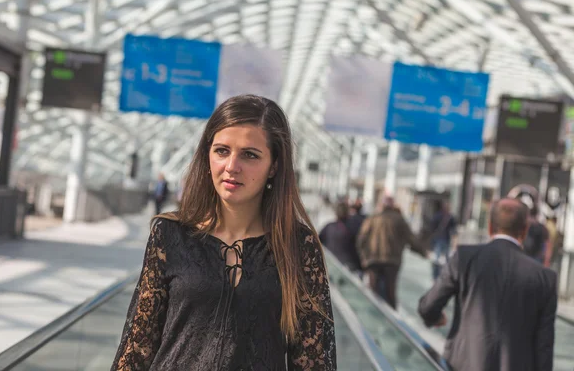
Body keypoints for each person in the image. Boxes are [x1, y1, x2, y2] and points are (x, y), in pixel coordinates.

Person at [111, 95, 336, 370]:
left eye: (250, 155)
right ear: (207, 157)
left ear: (274, 166)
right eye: (222, 151)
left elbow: (314, 362)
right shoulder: (170, 235)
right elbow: (138, 346)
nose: (232, 166)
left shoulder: (298, 247)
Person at [418, 198, 557, 371]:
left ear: (490, 227)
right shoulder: (546, 277)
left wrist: (435, 318)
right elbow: (544, 345)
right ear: (524, 231)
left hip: (463, 364)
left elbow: (428, 306)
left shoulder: (464, 257)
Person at [356, 195, 427, 309]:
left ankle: (373, 313)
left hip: (373, 260)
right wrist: (423, 252)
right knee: (390, 292)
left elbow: (361, 240)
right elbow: (411, 239)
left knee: (373, 290)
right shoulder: (398, 219)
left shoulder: (372, 219)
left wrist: (363, 258)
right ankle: (392, 317)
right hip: (392, 261)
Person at [319, 201, 361, 272]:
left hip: (331, 265)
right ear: (347, 213)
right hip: (348, 266)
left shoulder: (328, 227)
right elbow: (357, 248)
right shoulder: (352, 228)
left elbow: (318, 242)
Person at [429, 200, 456, 280]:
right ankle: (440, 275)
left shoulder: (440, 216)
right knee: (443, 259)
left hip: (440, 239)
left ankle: (436, 275)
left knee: (439, 259)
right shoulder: (449, 217)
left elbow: (432, 227)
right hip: (443, 239)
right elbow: (454, 231)